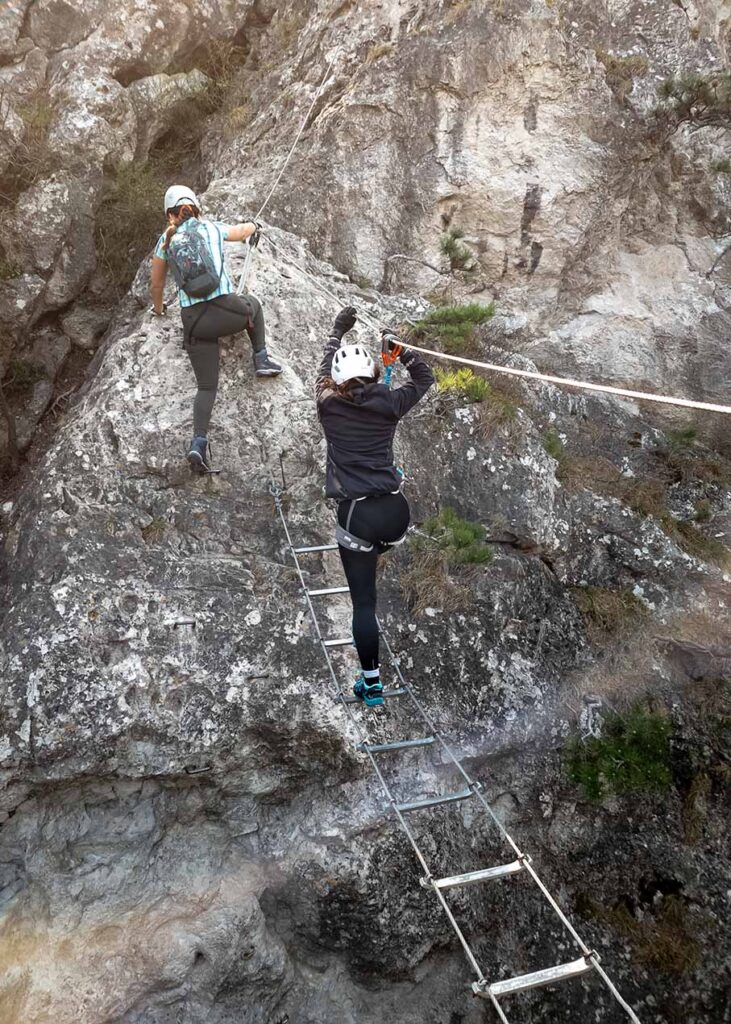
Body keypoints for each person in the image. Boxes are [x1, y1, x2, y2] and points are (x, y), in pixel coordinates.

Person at [315, 307, 434, 707]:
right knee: (378, 547)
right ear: (370, 374)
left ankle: (371, 684)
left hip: (358, 517)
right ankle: (377, 551)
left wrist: (337, 330)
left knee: (365, 603)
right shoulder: (390, 403)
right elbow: (425, 378)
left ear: (338, 380)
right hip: (397, 515)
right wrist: (400, 352)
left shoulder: (328, 406)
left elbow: (322, 372)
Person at [150, 185, 283, 473]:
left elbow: (156, 285)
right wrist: (254, 225)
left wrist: (159, 310)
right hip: (228, 314)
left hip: (195, 324)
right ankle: (260, 358)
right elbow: (240, 231)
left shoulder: (166, 239)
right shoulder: (210, 228)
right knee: (255, 306)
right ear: (195, 208)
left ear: (170, 215)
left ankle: (198, 443)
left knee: (206, 387)